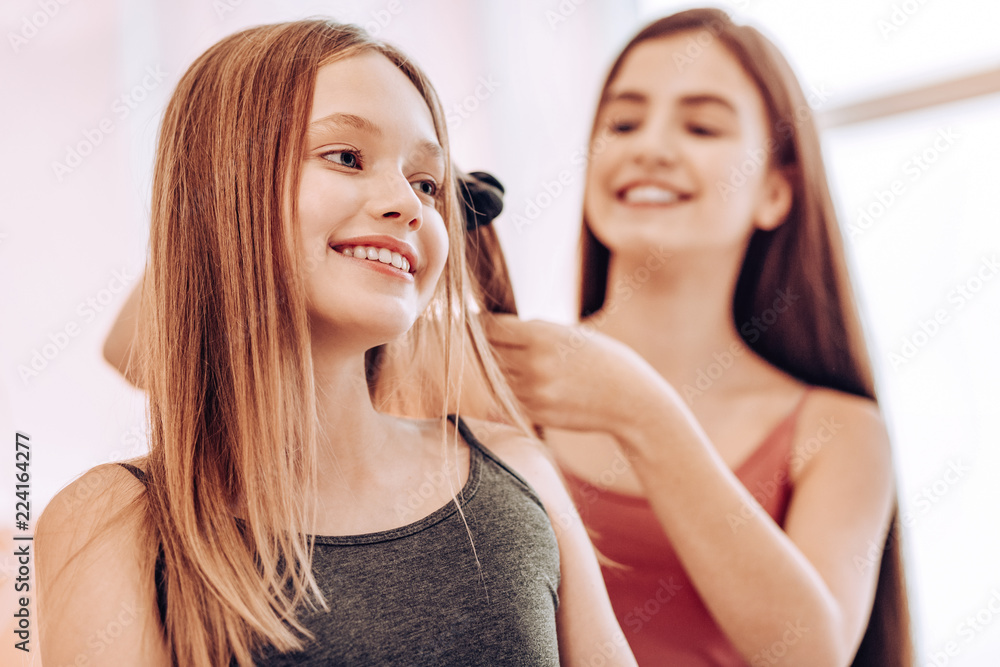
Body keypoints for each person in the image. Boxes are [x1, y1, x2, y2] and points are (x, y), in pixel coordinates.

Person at [36, 20, 636, 667]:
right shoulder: (111, 522)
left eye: (427, 183)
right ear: (222, 190)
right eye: (346, 157)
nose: (410, 204)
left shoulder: (518, 471)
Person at [486, 9, 912, 666]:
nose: (649, 148)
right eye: (623, 123)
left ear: (775, 192)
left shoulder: (839, 432)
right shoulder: (497, 377)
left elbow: (812, 655)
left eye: (702, 126)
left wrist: (641, 412)